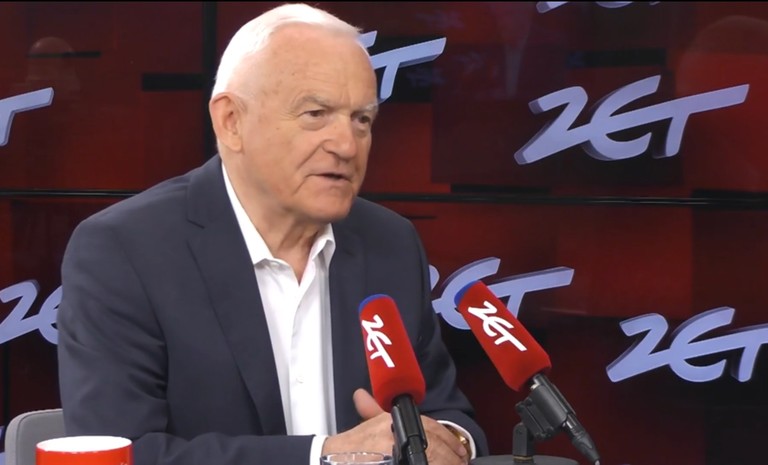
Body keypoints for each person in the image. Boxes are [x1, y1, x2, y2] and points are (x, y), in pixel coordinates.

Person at [56, 3, 489, 465]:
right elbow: (121, 452)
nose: (347, 145)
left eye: (361, 119)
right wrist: (325, 455)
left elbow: (446, 413)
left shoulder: (391, 243)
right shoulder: (124, 250)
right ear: (231, 121)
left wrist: (451, 444)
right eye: (315, 113)